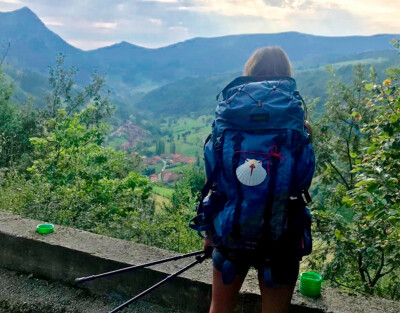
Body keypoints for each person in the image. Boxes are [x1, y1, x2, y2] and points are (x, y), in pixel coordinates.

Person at [202, 46, 313, 313]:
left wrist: (208, 233)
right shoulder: (298, 125)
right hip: (282, 236)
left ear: (249, 73)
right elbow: (302, 181)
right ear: (286, 75)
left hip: (230, 232)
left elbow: (213, 181)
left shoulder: (227, 121)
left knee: (219, 308)